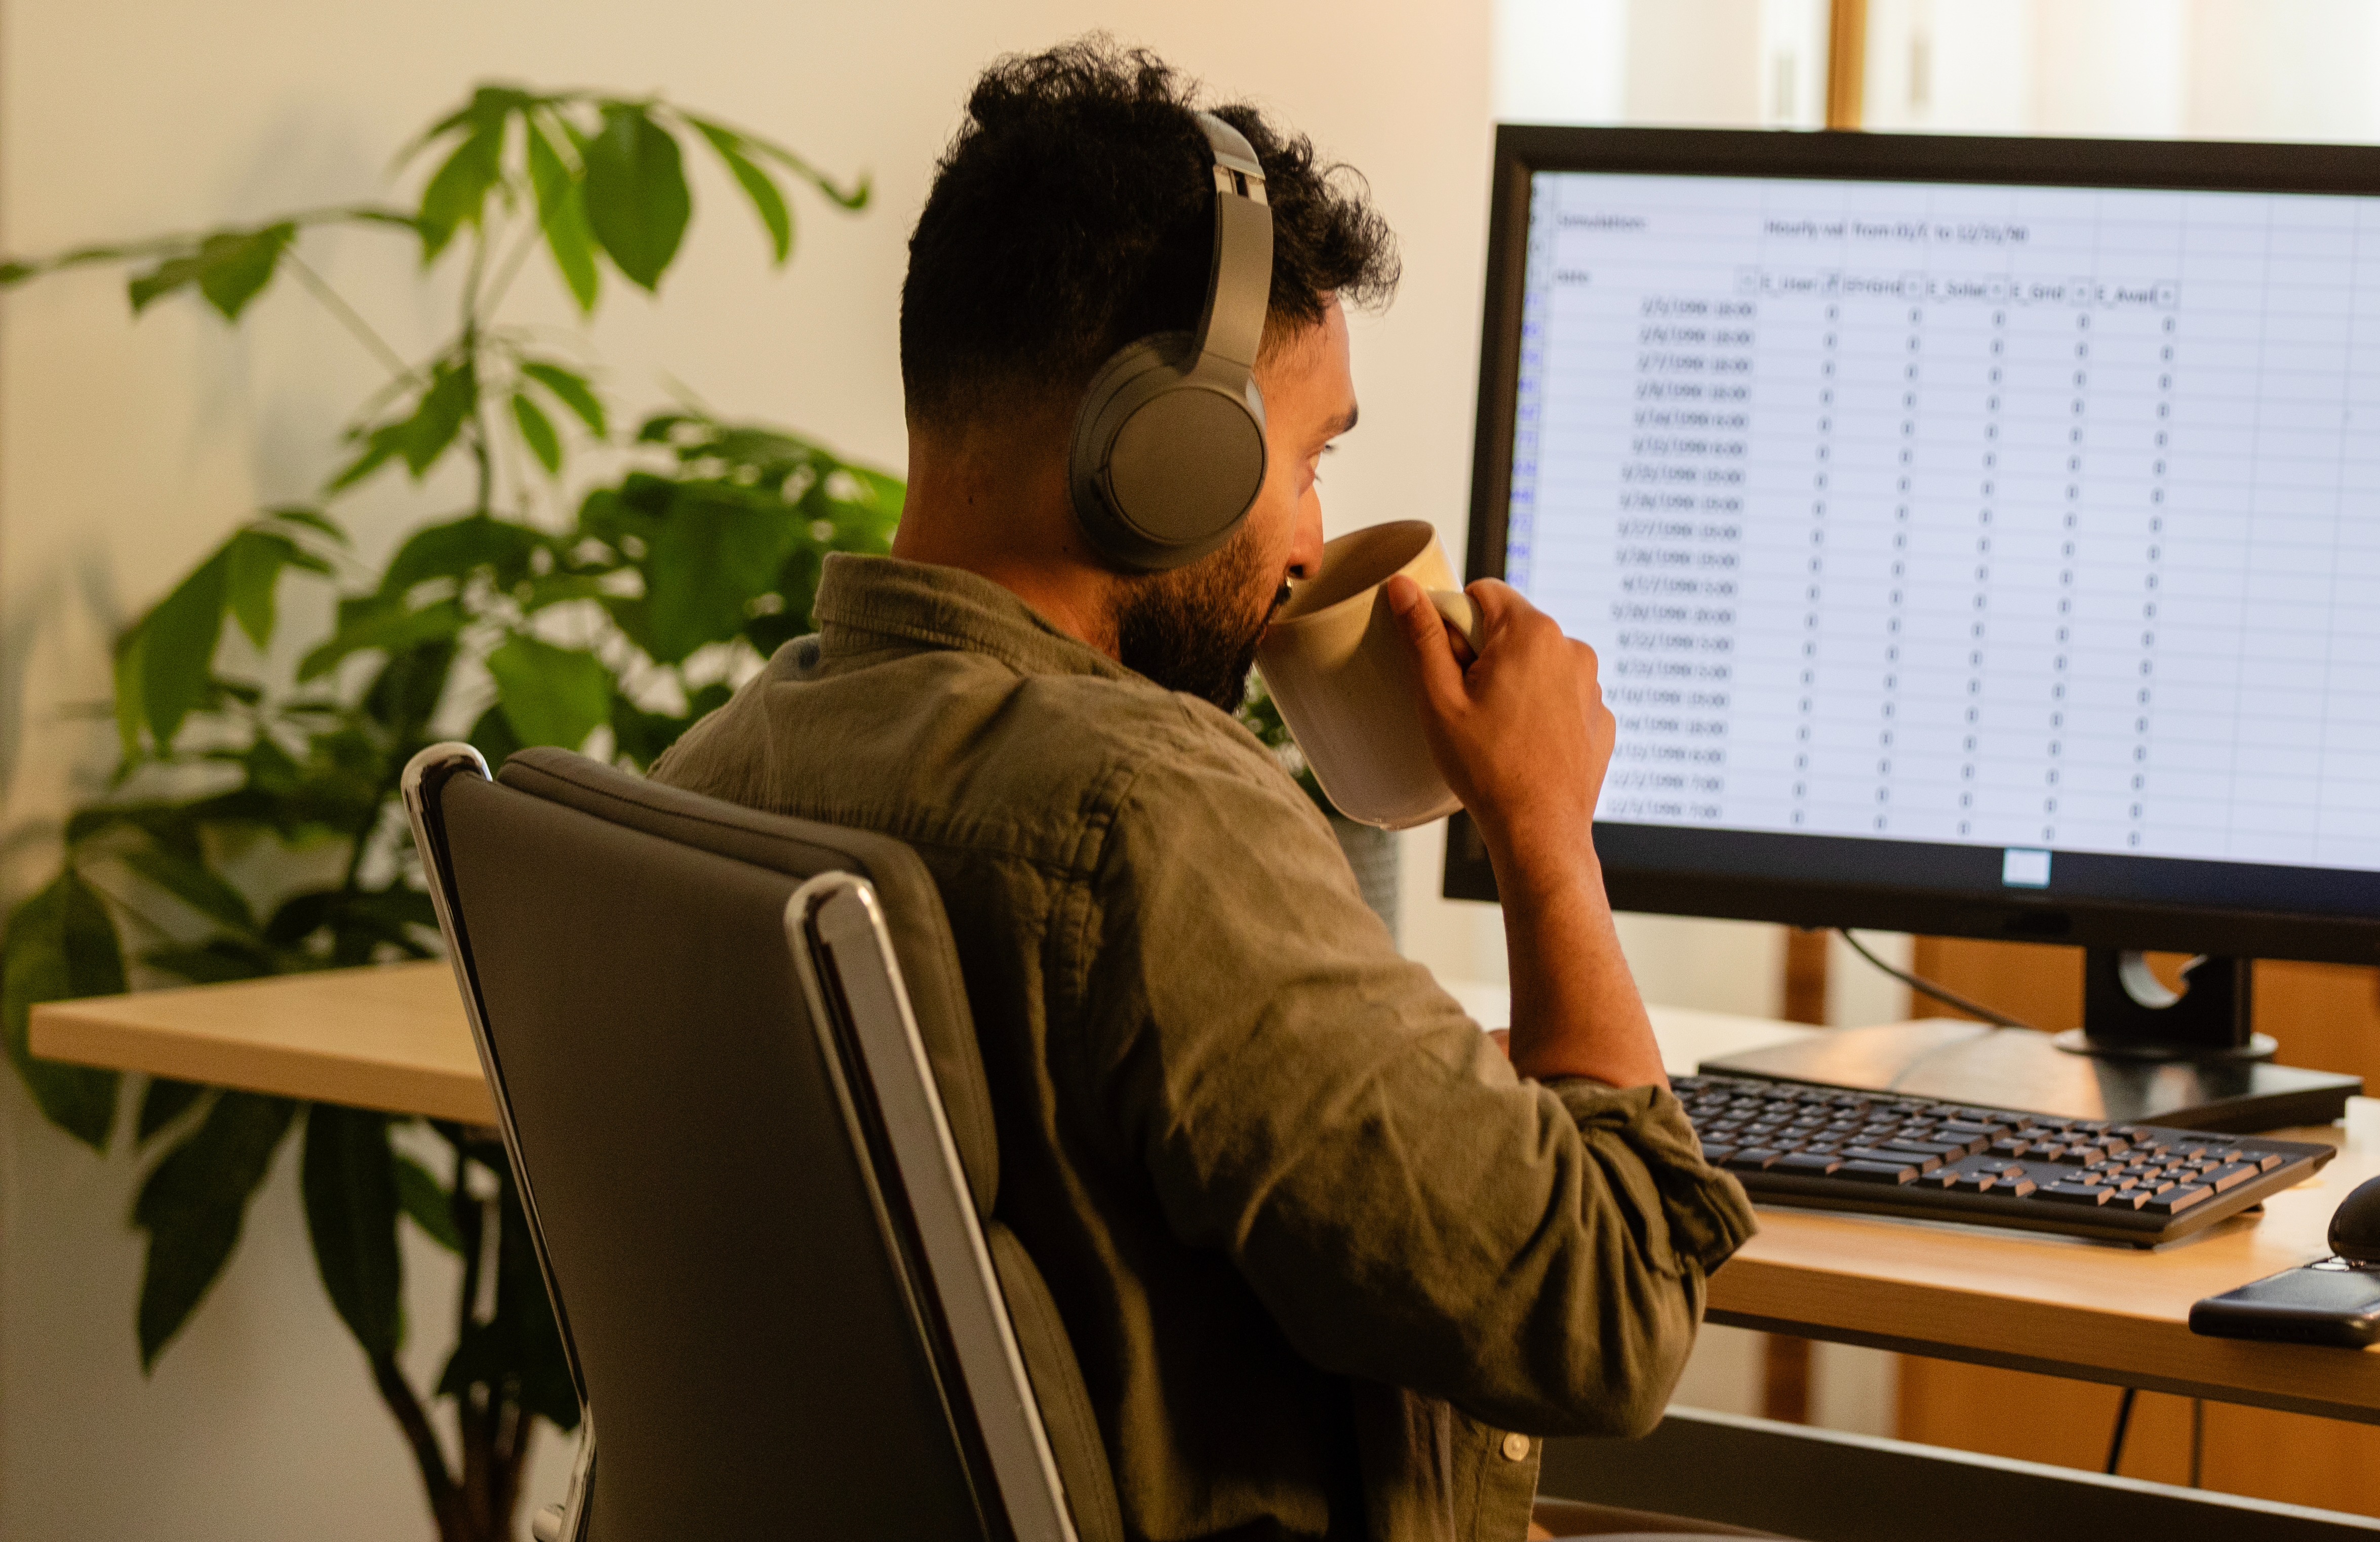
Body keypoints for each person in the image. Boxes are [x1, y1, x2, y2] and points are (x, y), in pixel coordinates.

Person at [652, 39, 1754, 1542]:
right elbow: (1615, 1314)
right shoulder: (1154, 820)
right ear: (1163, 455)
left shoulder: (717, 774)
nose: (1310, 542)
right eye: (1305, 462)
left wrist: (1414, 1078)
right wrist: (1545, 823)